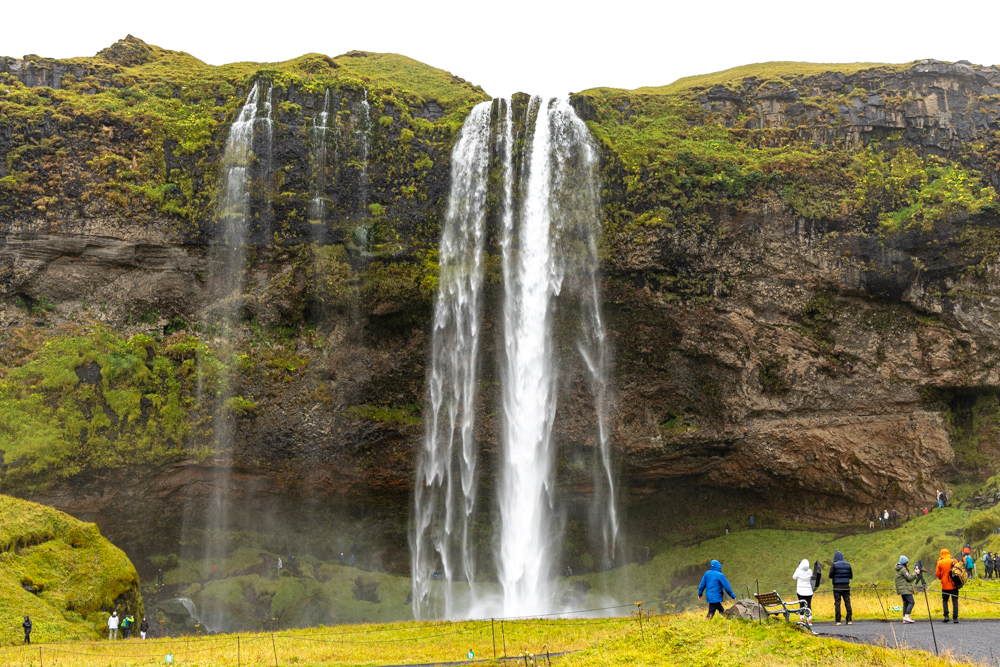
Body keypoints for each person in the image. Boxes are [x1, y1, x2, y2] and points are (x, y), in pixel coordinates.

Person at [936, 548, 959, 623]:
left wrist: (942, 578)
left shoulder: (940, 562)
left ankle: (946, 616)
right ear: (949, 553)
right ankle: (955, 617)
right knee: (955, 600)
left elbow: (937, 574)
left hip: (945, 585)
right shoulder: (953, 561)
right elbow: (958, 571)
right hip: (954, 585)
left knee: (945, 600)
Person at [830, 550, 853, 625]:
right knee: (847, 602)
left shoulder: (834, 564)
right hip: (846, 585)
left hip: (837, 586)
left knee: (837, 602)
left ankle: (838, 621)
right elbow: (851, 576)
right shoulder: (848, 564)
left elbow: (830, 575)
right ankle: (849, 620)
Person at [895, 556, 918, 623]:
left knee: (906, 602)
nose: (908, 563)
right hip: (905, 588)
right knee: (911, 602)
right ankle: (907, 616)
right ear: (905, 563)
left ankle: (905, 618)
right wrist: (915, 572)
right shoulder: (903, 570)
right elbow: (910, 578)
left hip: (901, 589)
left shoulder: (899, 569)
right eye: (907, 562)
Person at [792, 559, 814, 625]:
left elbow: (794, 577)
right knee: (809, 605)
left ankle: (802, 619)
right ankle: (810, 619)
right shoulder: (810, 571)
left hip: (800, 591)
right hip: (809, 590)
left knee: (801, 605)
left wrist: (797, 568)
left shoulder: (798, 571)